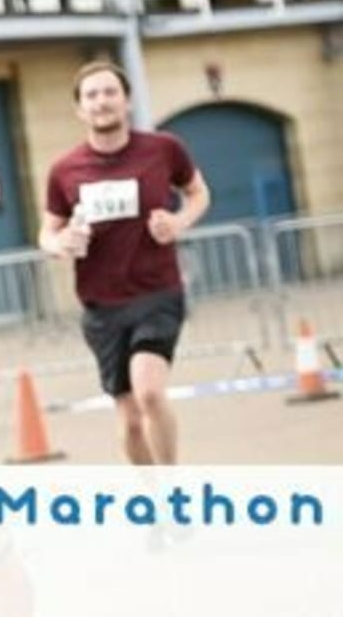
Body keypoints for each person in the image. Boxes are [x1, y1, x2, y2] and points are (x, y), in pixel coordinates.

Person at [39, 62, 210, 465]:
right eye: (92, 95)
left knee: (150, 392)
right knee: (131, 419)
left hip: (157, 291)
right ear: (80, 110)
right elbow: (46, 234)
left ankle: (171, 493)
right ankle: (151, 501)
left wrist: (179, 221)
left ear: (127, 101)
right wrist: (61, 241)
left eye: (110, 92)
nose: (102, 102)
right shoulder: (64, 170)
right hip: (102, 305)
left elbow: (199, 193)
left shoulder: (163, 148)